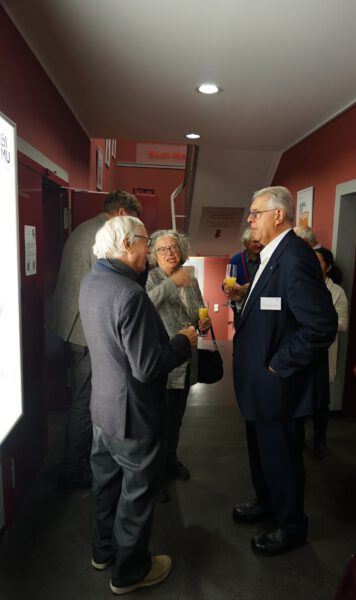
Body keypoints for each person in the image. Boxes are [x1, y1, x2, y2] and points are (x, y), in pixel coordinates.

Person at [79, 216, 197, 595]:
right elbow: (147, 367)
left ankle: (102, 552)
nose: (150, 249)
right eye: (147, 241)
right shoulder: (130, 294)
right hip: (134, 415)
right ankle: (129, 572)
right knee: (136, 496)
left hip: (103, 409)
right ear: (128, 244)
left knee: (105, 487)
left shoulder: (92, 280)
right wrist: (183, 342)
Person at [229, 186, 337, 556]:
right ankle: (267, 504)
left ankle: (291, 527)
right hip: (259, 384)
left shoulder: (295, 256)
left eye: (255, 212)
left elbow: (321, 325)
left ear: (278, 215)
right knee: (262, 454)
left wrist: (279, 365)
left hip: (278, 384)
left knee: (282, 458)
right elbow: (278, 308)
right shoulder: (271, 254)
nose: (249, 219)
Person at [48, 190, 143, 490]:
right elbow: (108, 284)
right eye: (132, 221)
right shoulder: (105, 234)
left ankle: (76, 462)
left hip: (70, 323)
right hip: (83, 329)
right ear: (122, 213)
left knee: (80, 396)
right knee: (84, 400)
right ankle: (73, 467)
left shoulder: (83, 228)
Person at [146, 230, 211, 482]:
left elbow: (198, 310)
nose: (170, 253)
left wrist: (203, 323)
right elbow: (146, 304)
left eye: (174, 247)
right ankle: (155, 474)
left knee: (176, 418)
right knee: (158, 421)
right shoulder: (150, 278)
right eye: (162, 249)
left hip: (186, 358)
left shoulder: (190, 277)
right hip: (164, 360)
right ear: (154, 254)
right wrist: (172, 282)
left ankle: (170, 460)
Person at [313, 247, 348, 459]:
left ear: (328, 267)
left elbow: (343, 324)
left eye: (318, 262)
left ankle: (320, 440)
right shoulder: (302, 285)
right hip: (302, 351)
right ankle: (296, 438)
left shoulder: (337, 292)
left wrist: (323, 322)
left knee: (320, 402)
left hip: (324, 352)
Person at [228, 227, 264, 327]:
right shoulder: (235, 260)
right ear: (246, 243)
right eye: (255, 242)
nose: (259, 245)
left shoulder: (267, 258)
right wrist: (240, 288)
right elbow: (226, 285)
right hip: (242, 310)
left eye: (260, 241)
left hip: (262, 310)